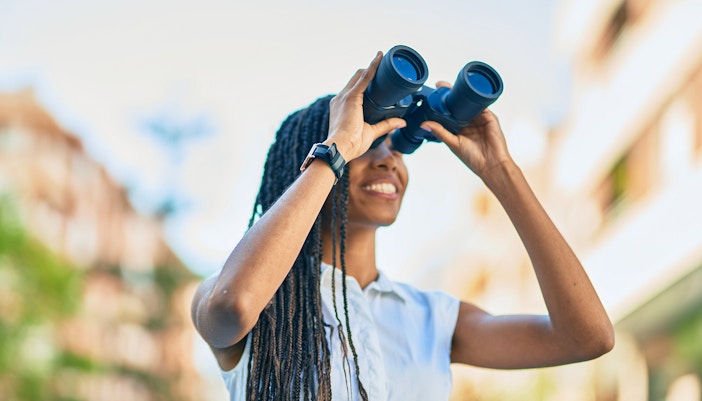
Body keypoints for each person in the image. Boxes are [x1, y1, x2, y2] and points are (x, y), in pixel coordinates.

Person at [191, 51, 614, 401]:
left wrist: (500, 170)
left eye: (397, 147)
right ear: (311, 160)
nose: (388, 159)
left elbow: (587, 338)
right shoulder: (261, 302)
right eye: (368, 143)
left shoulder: (431, 318)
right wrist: (338, 147)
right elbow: (233, 307)